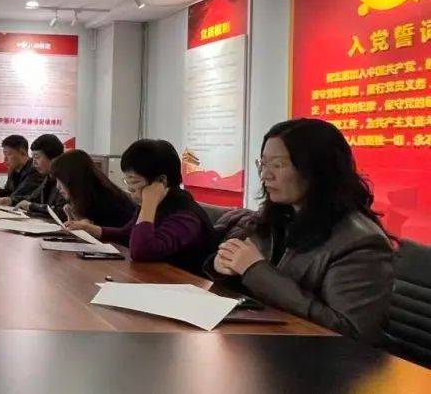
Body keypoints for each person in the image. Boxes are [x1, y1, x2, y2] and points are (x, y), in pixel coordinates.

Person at [208, 119, 394, 342]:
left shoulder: (362, 242)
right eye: (263, 164)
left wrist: (255, 270)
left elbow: (351, 332)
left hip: (321, 356)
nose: (266, 175)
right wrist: (225, 267)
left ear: (317, 169)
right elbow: (252, 284)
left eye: (278, 165)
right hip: (269, 341)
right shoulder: (279, 216)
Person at [67, 138, 216, 274]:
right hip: (156, 279)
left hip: (185, 286)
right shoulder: (159, 204)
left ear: (161, 181)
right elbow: (128, 235)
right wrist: (93, 230)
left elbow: (142, 252)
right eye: (127, 180)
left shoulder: (186, 216)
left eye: (134, 181)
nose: (130, 188)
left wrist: (149, 202)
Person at [52, 150, 137, 228]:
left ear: (74, 178)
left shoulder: (106, 202)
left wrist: (86, 227)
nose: (57, 186)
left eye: (60, 180)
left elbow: (115, 236)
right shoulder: (88, 198)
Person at [11, 134, 68, 218]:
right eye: (33, 158)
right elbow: (32, 198)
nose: (33, 164)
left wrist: (32, 206)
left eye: (37, 157)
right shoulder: (49, 177)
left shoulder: (66, 179)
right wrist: (11, 201)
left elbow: (61, 211)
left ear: (54, 158)